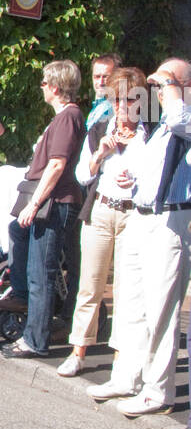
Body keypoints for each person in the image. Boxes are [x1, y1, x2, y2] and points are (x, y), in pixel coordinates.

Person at [85, 59, 191, 422]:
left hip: (171, 219)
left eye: (164, 83)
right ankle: (126, 377)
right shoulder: (161, 126)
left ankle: (157, 390)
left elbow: (180, 119)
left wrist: (171, 84)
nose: (157, 90)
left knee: (161, 310)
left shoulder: (181, 117)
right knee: (131, 305)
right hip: (143, 217)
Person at [57, 67, 147, 378]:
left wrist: (135, 176)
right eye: (118, 99)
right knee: (89, 286)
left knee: (126, 289)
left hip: (133, 213)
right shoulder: (100, 130)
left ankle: (121, 356)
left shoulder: (149, 135)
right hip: (100, 211)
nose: (124, 106)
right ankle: (78, 351)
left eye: (131, 99)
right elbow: (83, 175)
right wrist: (100, 155)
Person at [1, 61, 85, 360]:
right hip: (54, 201)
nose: (41, 87)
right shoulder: (66, 117)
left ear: (55, 87)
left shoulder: (67, 117)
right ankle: (32, 330)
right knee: (35, 265)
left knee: (42, 274)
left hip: (55, 203)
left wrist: (35, 203)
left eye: (44, 82)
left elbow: (57, 164)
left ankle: (35, 340)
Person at [87, 52, 121, 130]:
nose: (101, 82)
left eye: (105, 77)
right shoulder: (97, 107)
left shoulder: (116, 108)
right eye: (97, 77)